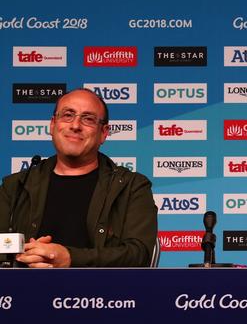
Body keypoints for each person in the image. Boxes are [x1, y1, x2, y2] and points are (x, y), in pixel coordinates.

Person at [0, 88, 158, 268]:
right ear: (52, 125)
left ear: (104, 133)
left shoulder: (132, 187)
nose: (75, 125)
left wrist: (69, 258)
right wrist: (27, 254)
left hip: (106, 294)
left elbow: (139, 255)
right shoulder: (15, 186)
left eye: (88, 119)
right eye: (68, 115)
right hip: (23, 292)